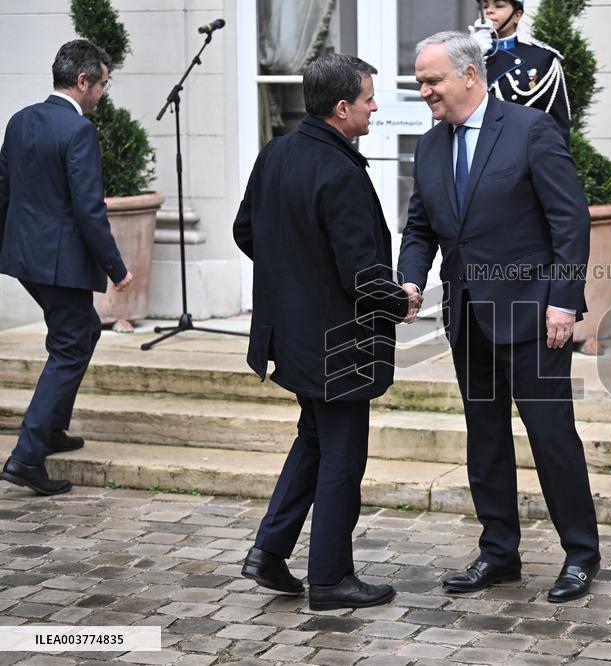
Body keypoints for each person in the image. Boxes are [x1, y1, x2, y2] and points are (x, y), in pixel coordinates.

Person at [398, 31, 600, 603]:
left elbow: (570, 221)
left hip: (535, 316)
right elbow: (420, 227)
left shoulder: (531, 129)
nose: (424, 91)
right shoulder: (430, 145)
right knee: (485, 439)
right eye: (420, 82)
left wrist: (564, 300)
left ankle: (581, 554)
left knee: (551, 437)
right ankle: (498, 553)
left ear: (469, 75)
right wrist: (410, 279)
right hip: (468, 318)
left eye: (432, 80)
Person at [233, 53, 414, 611]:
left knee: (313, 441)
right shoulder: (340, 171)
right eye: (368, 99)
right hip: (340, 344)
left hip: (294, 336)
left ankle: (269, 552)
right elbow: (361, 274)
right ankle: (331, 579)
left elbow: (246, 232)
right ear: (341, 108)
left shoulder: (275, 153)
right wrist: (402, 301)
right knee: (342, 457)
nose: (375, 107)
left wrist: (296, 278)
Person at [0, 39, 133, 497]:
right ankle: (26, 457)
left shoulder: (20, 120)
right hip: (58, 263)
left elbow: (2, 190)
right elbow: (89, 210)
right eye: (103, 85)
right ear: (82, 81)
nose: (103, 93)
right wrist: (117, 268)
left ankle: (52, 429)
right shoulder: (79, 132)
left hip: (25, 258)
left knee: (83, 331)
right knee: (70, 346)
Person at [469, 0, 571, 144]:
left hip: (521, 147)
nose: (489, 11)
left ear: (517, 15)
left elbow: (557, 124)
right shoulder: (465, 55)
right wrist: (470, 54)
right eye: (485, 6)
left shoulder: (541, 58)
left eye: (499, 6)